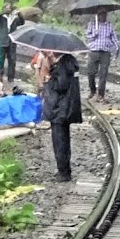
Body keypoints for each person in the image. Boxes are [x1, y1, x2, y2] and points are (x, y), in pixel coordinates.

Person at [40, 51, 83, 182]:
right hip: (65, 107)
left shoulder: (63, 64)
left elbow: (60, 84)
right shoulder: (68, 62)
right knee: (63, 139)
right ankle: (64, 170)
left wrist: (49, 76)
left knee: (59, 140)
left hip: (60, 108)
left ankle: (63, 172)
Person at [84, 11, 119, 103]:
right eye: (101, 15)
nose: (103, 17)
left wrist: (117, 48)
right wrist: (94, 34)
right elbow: (87, 36)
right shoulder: (92, 24)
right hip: (94, 51)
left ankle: (101, 94)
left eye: (104, 15)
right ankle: (92, 91)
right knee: (91, 73)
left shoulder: (109, 25)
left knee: (103, 74)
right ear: (97, 16)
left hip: (105, 52)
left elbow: (114, 38)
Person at [0, 5, 25, 82]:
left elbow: (22, 22)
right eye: (6, 8)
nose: (8, 10)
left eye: (9, 8)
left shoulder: (14, 19)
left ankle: (11, 78)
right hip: (2, 42)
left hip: (12, 42)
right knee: (1, 60)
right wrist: (4, 12)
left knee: (12, 60)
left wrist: (19, 14)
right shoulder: (1, 18)